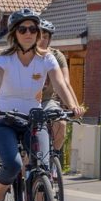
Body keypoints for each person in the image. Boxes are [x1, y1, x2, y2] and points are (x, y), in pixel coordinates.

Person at [0, 8, 83, 201]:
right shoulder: (4, 58)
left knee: (42, 165)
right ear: (14, 34)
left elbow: (59, 83)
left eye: (32, 29)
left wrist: (72, 106)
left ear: (38, 33)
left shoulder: (46, 58)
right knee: (12, 164)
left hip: (33, 119)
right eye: (22, 29)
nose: (28, 33)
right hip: (4, 119)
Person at [37, 19, 72, 156]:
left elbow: (65, 83)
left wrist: (73, 106)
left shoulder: (56, 56)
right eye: (39, 36)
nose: (42, 40)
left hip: (46, 100)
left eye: (45, 37)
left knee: (61, 123)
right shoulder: (26, 55)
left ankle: (53, 157)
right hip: (26, 100)